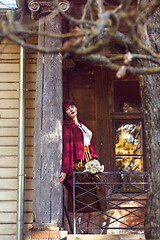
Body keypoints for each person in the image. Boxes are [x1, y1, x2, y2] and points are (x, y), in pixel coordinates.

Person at [59, 100, 101, 233]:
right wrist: (65, 170)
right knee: (84, 197)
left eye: (72, 107)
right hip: (79, 164)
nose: (71, 110)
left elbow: (91, 144)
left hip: (90, 162)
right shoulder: (68, 127)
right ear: (65, 113)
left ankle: (88, 230)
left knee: (95, 196)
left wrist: (95, 161)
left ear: (76, 107)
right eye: (67, 109)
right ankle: (81, 228)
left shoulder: (83, 124)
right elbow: (66, 149)